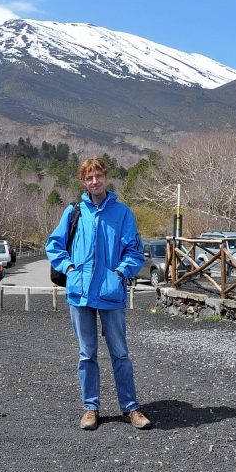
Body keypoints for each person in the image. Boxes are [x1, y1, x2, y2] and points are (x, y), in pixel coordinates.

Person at [46, 156, 151, 431]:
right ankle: (90, 408)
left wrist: (119, 274)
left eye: (99, 176)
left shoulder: (123, 213)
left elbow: (134, 251)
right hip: (79, 294)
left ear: (106, 177)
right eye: (89, 178)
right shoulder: (74, 211)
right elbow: (54, 246)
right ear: (84, 181)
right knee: (86, 354)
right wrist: (69, 268)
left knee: (120, 353)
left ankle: (131, 408)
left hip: (111, 293)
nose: (95, 181)